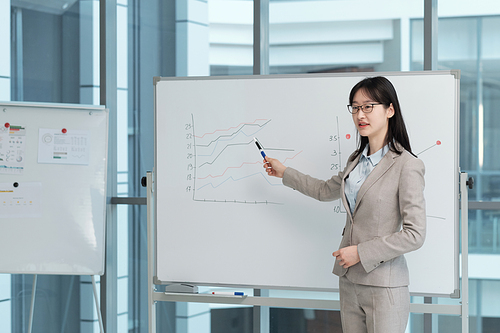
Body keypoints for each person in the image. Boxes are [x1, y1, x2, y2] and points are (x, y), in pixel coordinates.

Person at [263, 76, 426, 333]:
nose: (360, 114)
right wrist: (285, 172)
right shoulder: (355, 160)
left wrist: (360, 252)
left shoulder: (407, 165)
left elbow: (415, 235)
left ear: (390, 110)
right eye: (355, 107)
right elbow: (324, 190)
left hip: (384, 285)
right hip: (349, 281)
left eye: (368, 106)